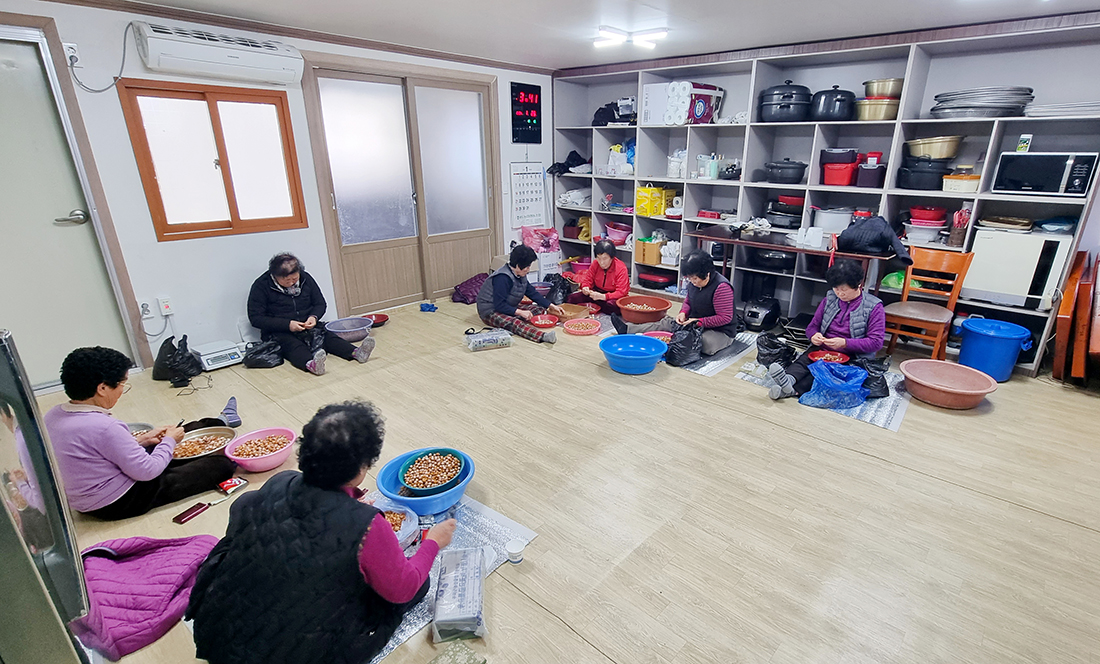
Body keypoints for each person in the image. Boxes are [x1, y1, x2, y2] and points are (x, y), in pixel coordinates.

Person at [186, 401, 457, 664]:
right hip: (294, 653)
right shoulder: (367, 525)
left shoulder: (280, 480)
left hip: (218, 635)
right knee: (418, 584)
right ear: (362, 467)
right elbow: (403, 589)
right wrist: (433, 542)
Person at [44, 347, 237, 520]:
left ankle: (219, 421)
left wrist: (142, 440)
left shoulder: (53, 416)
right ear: (102, 388)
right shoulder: (105, 427)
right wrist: (169, 441)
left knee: (186, 431)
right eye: (121, 384)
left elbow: (96, 451)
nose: (122, 390)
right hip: (117, 500)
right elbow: (147, 471)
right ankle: (219, 440)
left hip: (90, 494)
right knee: (221, 465)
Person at [767, 259, 885, 400]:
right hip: (824, 349)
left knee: (823, 373)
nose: (839, 294)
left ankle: (790, 390)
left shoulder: (873, 306)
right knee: (804, 361)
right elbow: (812, 327)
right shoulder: (830, 299)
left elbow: (876, 342)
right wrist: (814, 335)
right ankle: (788, 380)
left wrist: (845, 343)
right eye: (836, 289)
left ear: (859, 285)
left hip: (853, 356)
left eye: (844, 290)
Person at [247, 253, 373, 376]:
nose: (291, 283)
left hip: (306, 325)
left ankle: (356, 353)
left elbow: (320, 304)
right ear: (275, 276)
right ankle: (311, 364)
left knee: (328, 337)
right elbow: (256, 318)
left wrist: (313, 317)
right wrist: (288, 325)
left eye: (294, 279)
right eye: (286, 281)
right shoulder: (261, 285)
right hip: (279, 331)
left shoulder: (305, 278)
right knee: (294, 346)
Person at [612, 250, 739, 356]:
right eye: (690, 278)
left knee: (705, 344)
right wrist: (683, 312)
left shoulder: (721, 288)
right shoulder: (693, 283)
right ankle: (628, 329)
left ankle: (680, 341)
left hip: (719, 331)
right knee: (666, 323)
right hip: (694, 323)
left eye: (695, 278)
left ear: (707, 274)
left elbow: (725, 318)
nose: (692, 281)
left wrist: (699, 322)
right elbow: (688, 301)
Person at [476, 244, 566, 344]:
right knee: (516, 323)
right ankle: (543, 336)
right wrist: (520, 312)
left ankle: (508, 323)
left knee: (539, 309)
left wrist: (551, 305)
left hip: (508, 306)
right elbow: (499, 305)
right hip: (491, 311)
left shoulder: (520, 274)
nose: (528, 269)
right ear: (518, 266)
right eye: (527, 267)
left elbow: (532, 292)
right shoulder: (502, 278)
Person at [567, 239, 630, 314]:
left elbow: (621, 292)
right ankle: (598, 306)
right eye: (598, 258)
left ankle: (598, 305)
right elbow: (588, 280)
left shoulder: (621, 268)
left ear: (612, 257)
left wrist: (604, 296)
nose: (601, 262)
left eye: (605, 258)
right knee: (571, 299)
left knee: (613, 306)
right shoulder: (595, 263)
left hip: (612, 296)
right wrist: (585, 287)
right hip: (596, 292)